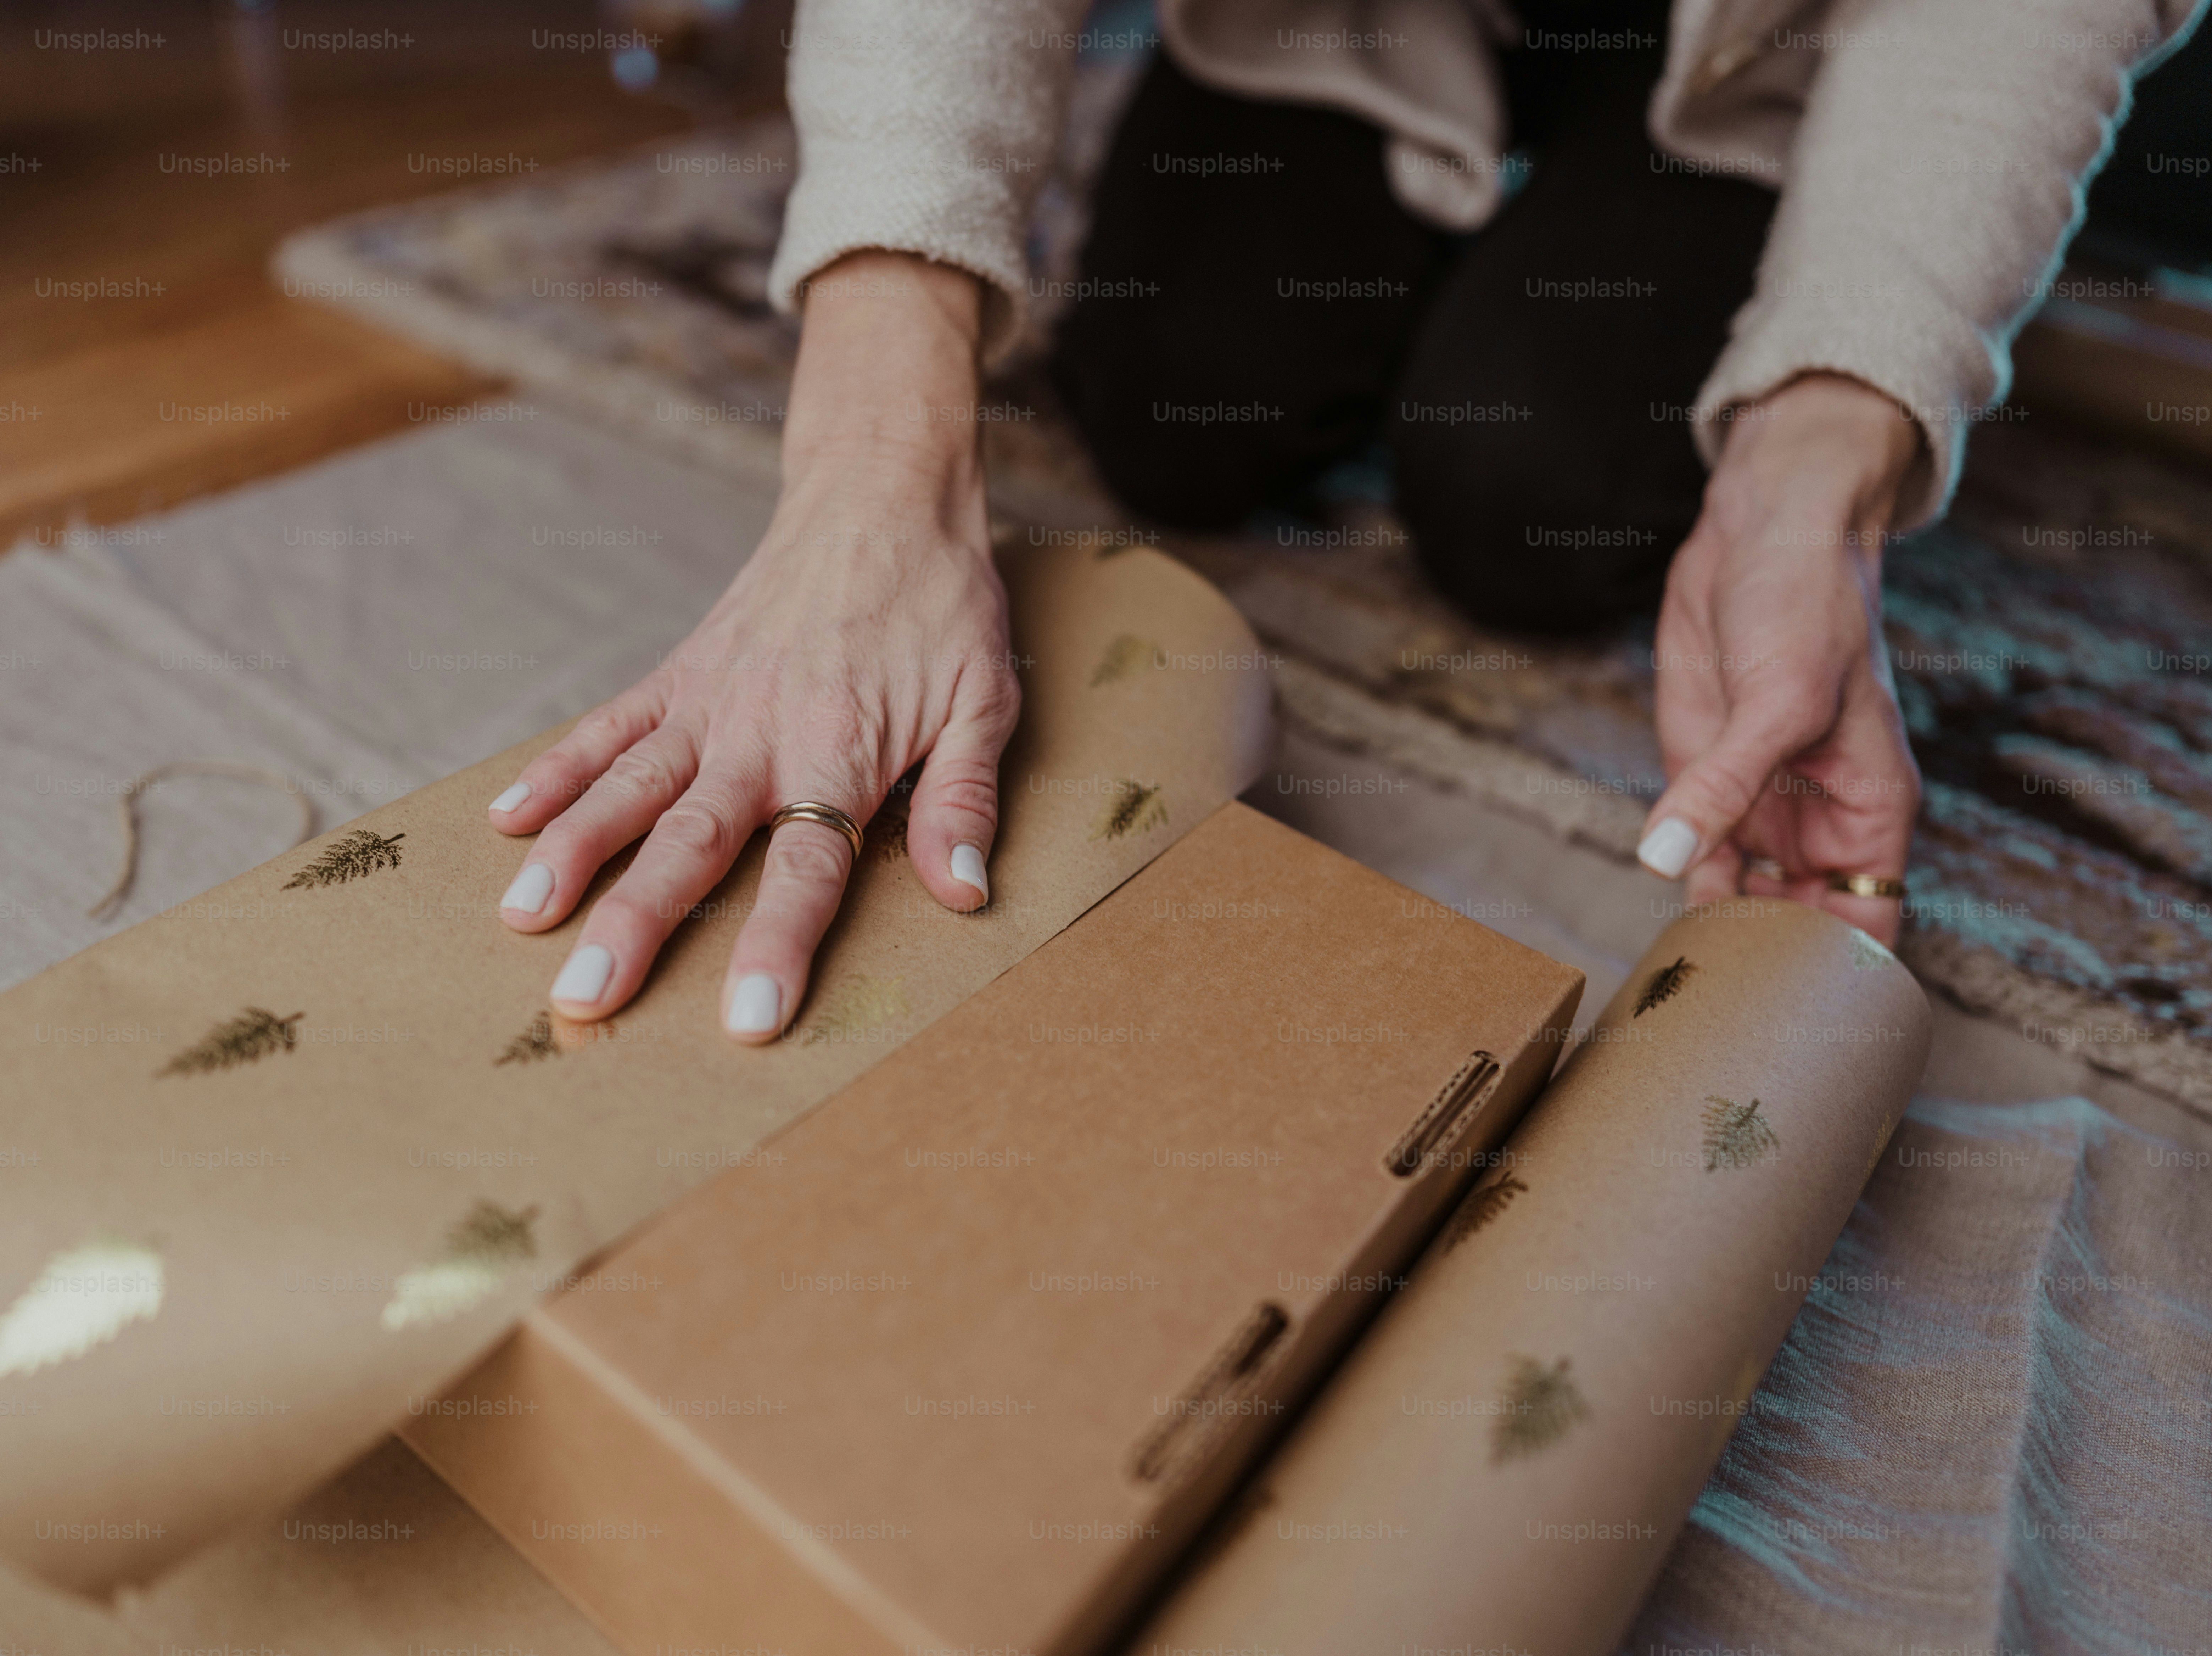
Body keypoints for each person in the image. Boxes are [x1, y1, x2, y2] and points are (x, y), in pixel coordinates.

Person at [486, 0, 2204, 1040]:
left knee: (1538, 508)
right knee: (1175, 411)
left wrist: (1816, 473)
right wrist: (868, 464)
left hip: (1782, 42)